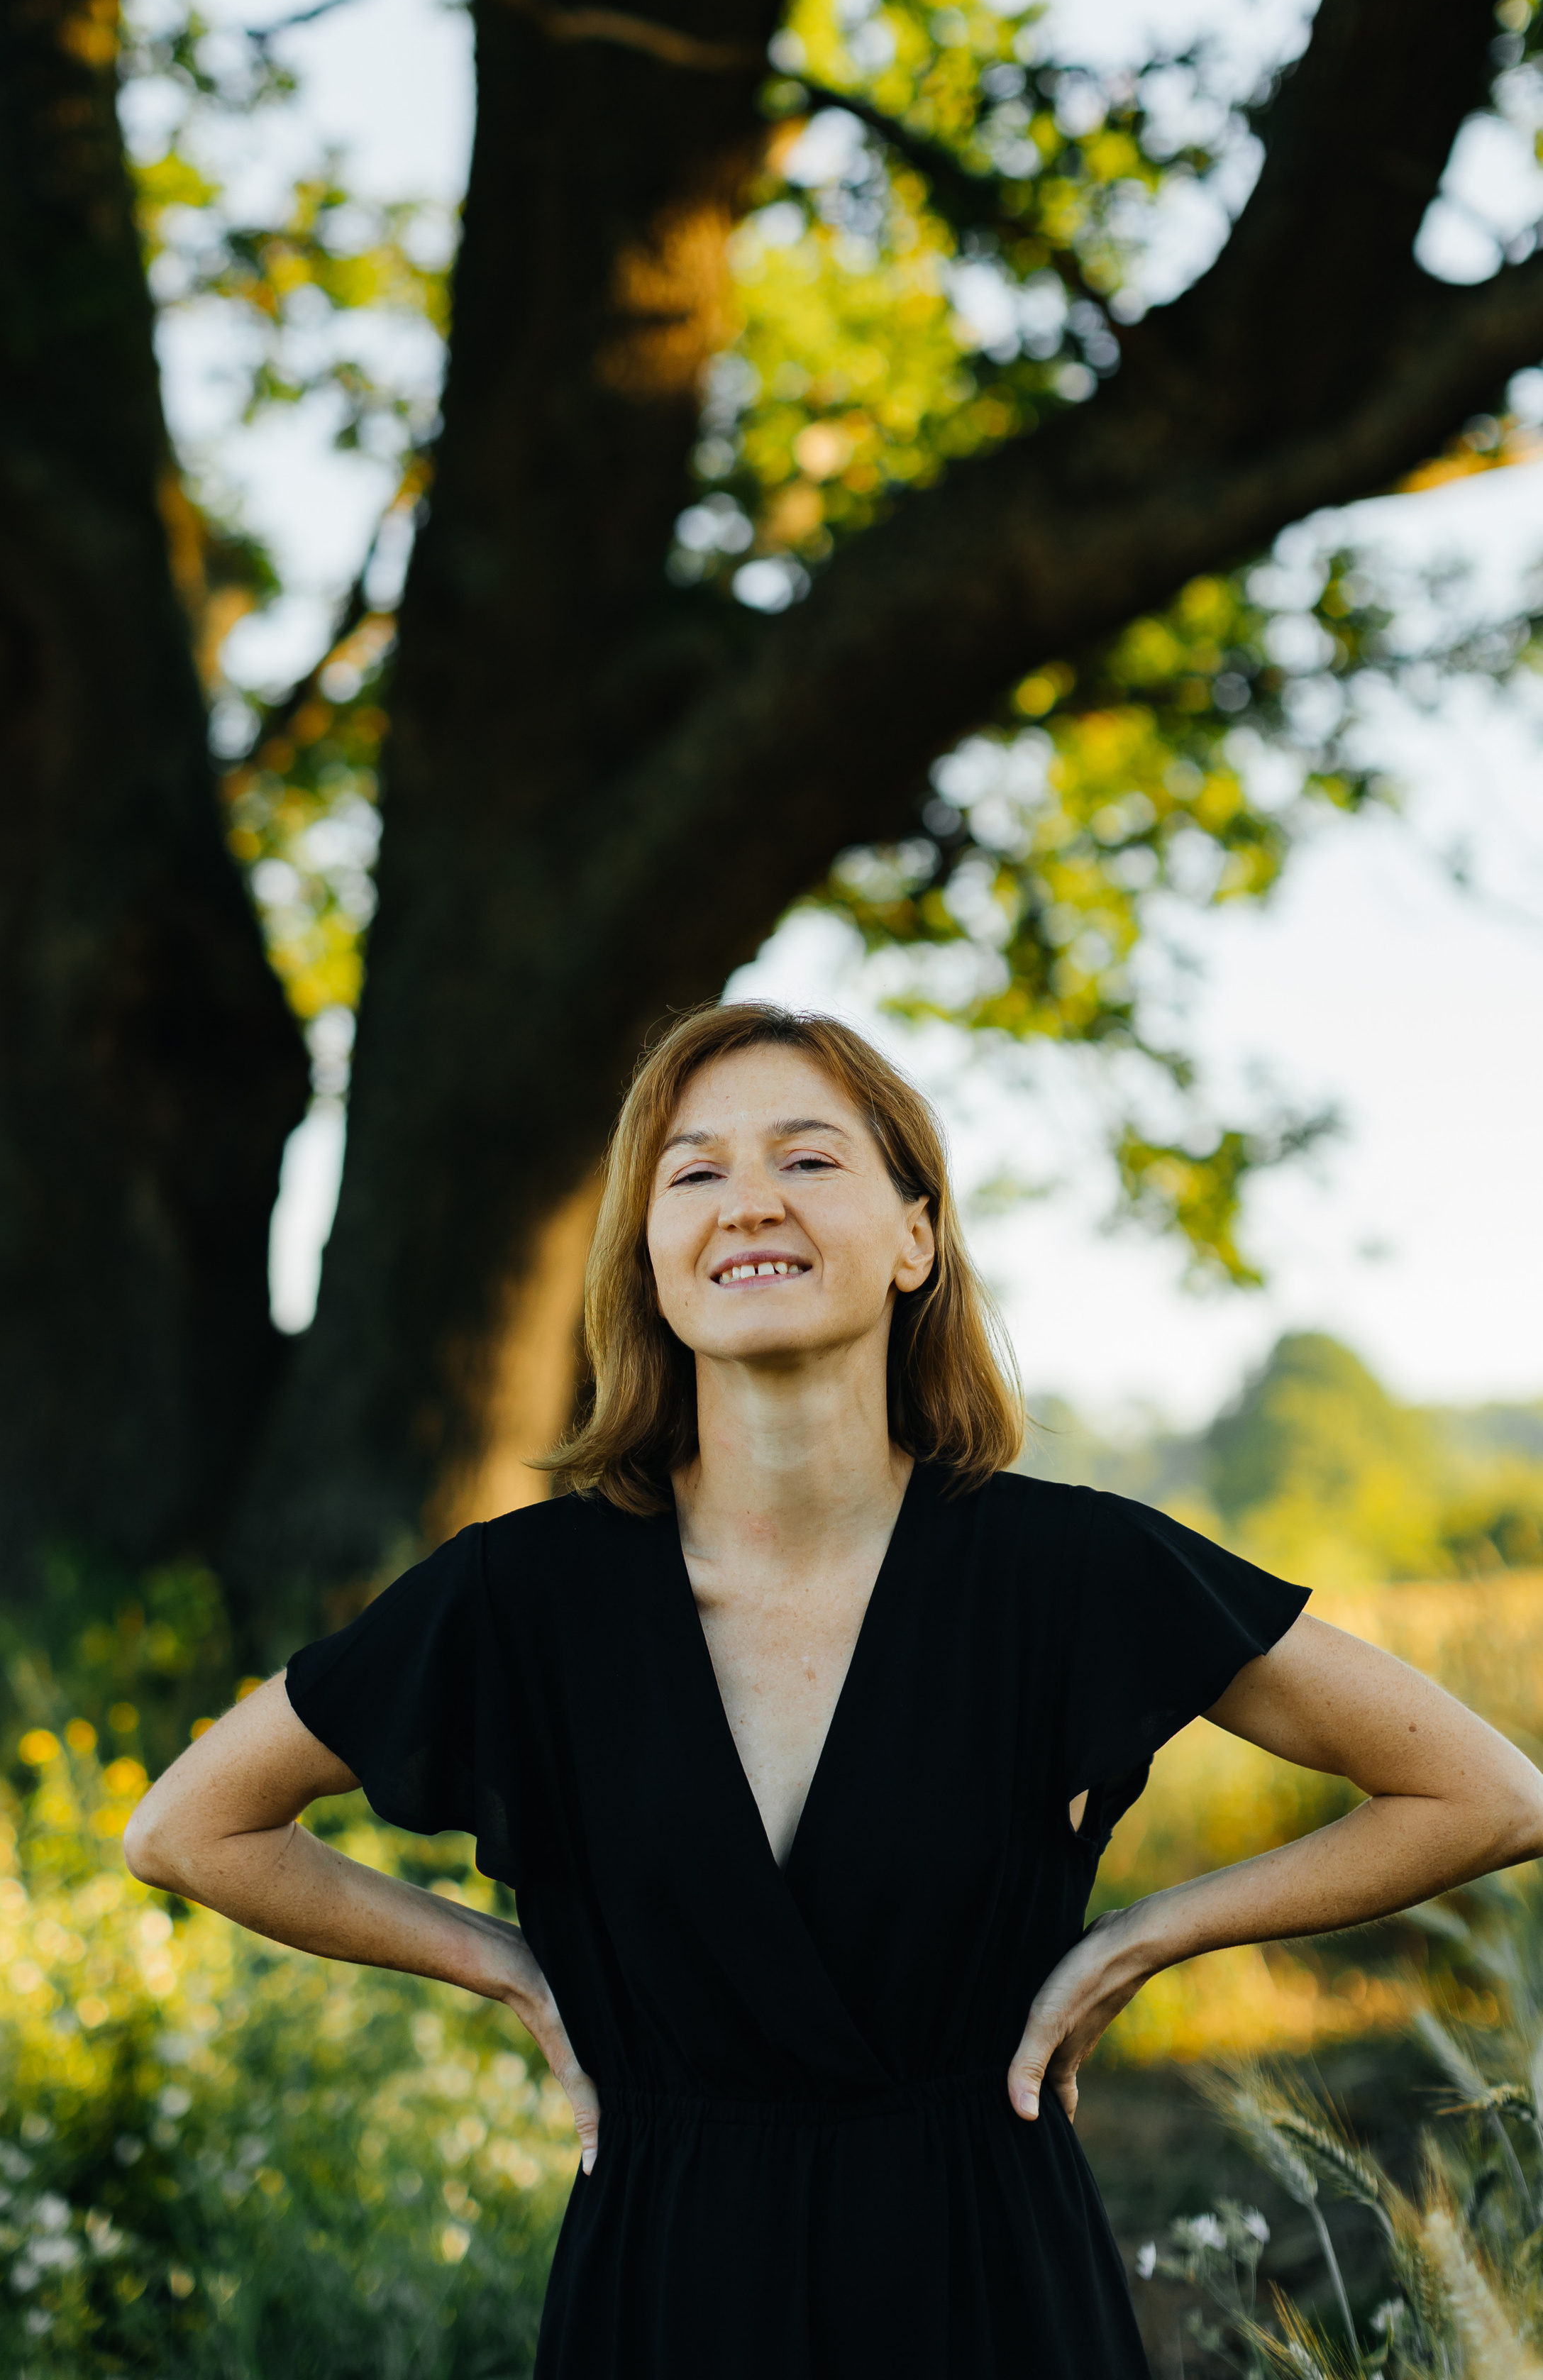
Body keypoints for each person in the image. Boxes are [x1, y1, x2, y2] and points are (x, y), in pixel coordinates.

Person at [125, 1002, 1543, 2377]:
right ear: (650, 1257)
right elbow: (189, 1828)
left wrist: (1142, 1936)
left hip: (985, 2279)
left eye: (806, 1158)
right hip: (665, 2289)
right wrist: (499, 1966)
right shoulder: (520, 1596)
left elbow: (1481, 1793)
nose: (746, 1201)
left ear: (914, 1238)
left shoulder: (1066, 1567)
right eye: (693, 1173)